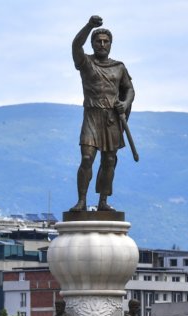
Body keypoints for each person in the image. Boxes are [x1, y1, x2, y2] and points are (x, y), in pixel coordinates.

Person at [70, 15, 135, 212]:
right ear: (92, 43)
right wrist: (89, 25)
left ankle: (103, 201)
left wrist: (125, 103)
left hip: (111, 119)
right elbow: (75, 45)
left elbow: (130, 89)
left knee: (109, 160)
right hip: (92, 115)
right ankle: (81, 200)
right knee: (87, 158)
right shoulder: (86, 62)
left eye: (106, 41)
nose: (102, 44)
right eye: (98, 41)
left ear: (111, 44)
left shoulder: (119, 67)